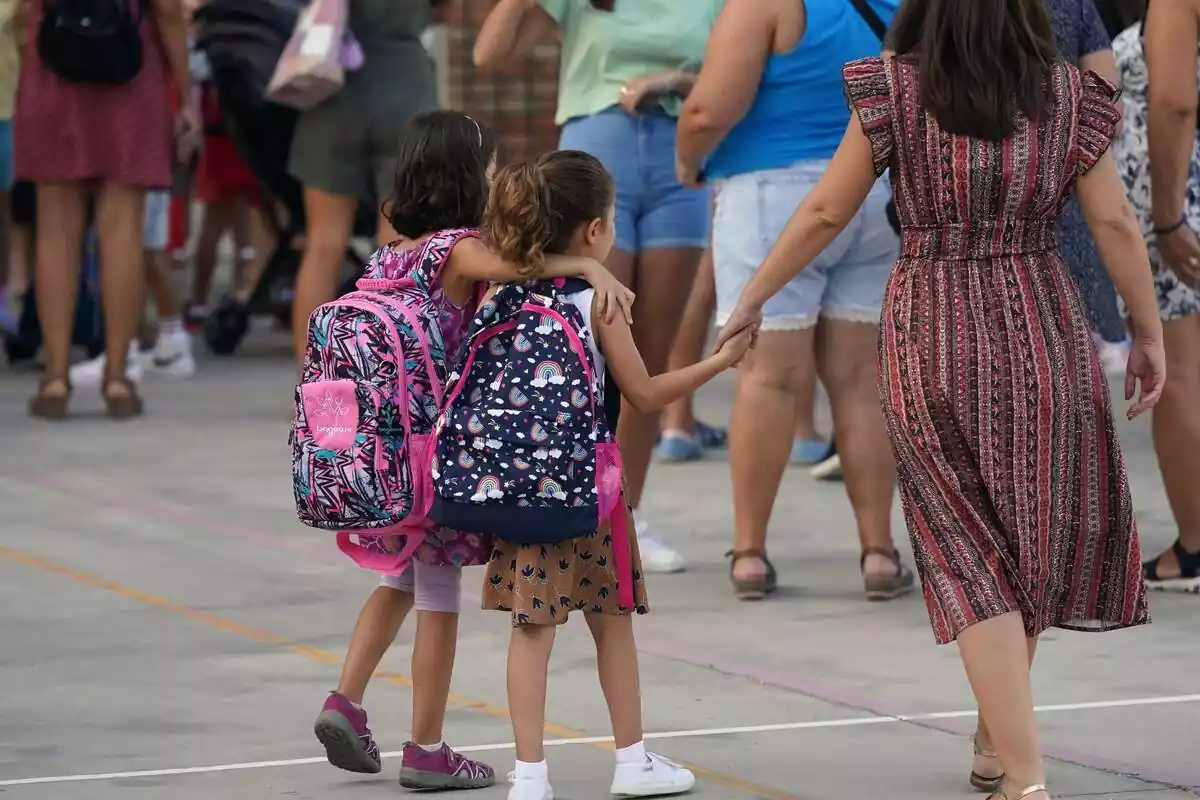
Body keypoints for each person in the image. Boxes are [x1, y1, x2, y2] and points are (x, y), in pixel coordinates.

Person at [717, 0, 1161, 794]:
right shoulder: (1067, 97)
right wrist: (1147, 333)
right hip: (1041, 326)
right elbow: (1115, 223)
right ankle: (1003, 749)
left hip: (931, 327)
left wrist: (754, 295)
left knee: (967, 547)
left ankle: (1018, 767)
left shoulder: (894, 89)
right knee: (1025, 541)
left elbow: (826, 208)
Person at [311, 112, 633, 789]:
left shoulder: (392, 248)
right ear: (467, 175)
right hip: (436, 451)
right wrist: (583, 264)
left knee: (395, 578)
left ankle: (346, 697)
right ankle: (426, 746)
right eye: (488, 168)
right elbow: (519, 264)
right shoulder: (454, 249)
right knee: (435, 596)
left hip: (386, 451)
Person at [477, 150, 749, 800]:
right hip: (591, 496)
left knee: (531, 629)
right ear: (596, 232)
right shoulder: (597, 302)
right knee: (612, 622)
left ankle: (531, 777)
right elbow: (647, 396)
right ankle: (632, 761)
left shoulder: (499, 293)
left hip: (519, 493)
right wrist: (720, 363)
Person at [473, 0, 726, 573]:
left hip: (679, 156)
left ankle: (623, 513)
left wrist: (673, 81)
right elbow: (489, 55)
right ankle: (561, 500)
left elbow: (740, 71)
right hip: (595, 156)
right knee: (585, 343)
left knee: (645, 355)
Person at [677, 0, 914, 600]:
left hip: (771, 195)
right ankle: (878, 551)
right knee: (861, 378)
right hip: (872, 188)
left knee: (768, 376)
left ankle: (751, 552)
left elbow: (708, 109)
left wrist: (686, 157)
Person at [17, 0, 199, 419]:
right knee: (123, 232)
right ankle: (117, 378)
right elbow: (170, 9)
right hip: (129, 70)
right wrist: (185, 94)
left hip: (53, 65)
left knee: (55, 233)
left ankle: (56, 376)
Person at [288, 0, 438, 363]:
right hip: (406, 88)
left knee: (323, 244)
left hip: (334, 83)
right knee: (398, 249)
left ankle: (311, 377)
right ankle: (390, 373)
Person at [1119, 0, 1200, 591]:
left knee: (1181, 372)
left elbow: (1173, 101)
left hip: (1181, 192)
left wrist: (1169, 219)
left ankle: (1196, 544)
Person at [1050, 0, 1131, 373]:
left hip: (955, 253)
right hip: (1059, 225)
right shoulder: (1070, 6)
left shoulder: (929, 10)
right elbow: (1107, 116)